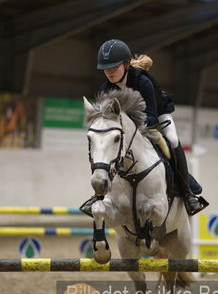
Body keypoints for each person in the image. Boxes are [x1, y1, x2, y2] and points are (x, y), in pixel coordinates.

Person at [81, 39, 208, 216]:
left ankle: (187, 193)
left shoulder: (143, 81)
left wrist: (129, 128)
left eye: (114, 67)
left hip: (156, 117)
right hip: (126, 127)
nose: (109, 72)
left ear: (125, 64)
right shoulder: (106, 88)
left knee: (171, 140)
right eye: (106, 68)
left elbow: (152, 117)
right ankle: (99, 196)